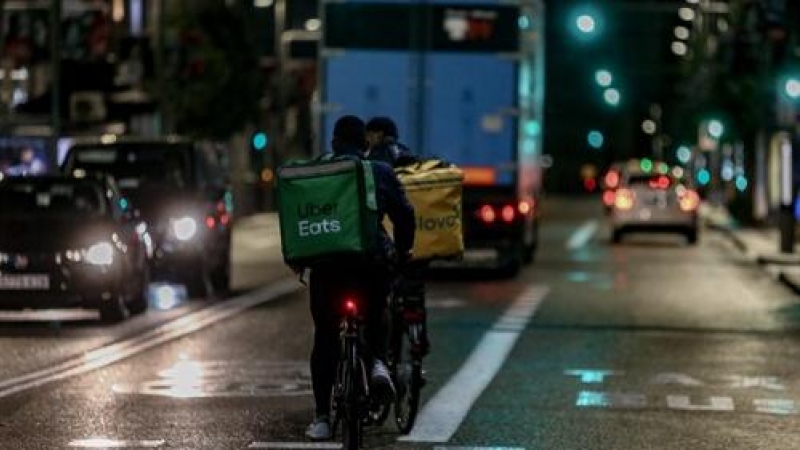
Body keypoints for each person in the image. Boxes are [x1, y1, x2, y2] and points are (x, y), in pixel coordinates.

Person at [304, 115, 416, 441]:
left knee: (325, 336)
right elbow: (405, 215)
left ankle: (322, 418)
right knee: (376, 312)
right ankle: (379, 363)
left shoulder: (319, 171)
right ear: (365, 145)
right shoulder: (378, 171)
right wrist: (403, 252)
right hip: (370, 266)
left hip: (327, 268)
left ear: (335, 143)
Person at [364, 116, 431, 356]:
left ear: (379, 134)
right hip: (417, 233)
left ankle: (381, 357)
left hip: (386, 238)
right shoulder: (409, 155)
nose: (367, 139)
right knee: (414, 290)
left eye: (370, 134)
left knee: (383, 299)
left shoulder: (372, 160)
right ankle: (419, 337)